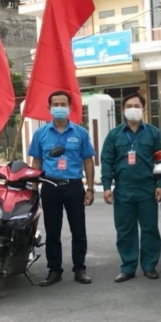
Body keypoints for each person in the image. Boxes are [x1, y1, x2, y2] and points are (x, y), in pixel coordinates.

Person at [28, 91, 96, 286]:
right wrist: (34, 189)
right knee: (52, 231)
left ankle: (80, 268)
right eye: (55, 104)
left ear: (69, 107)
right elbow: (36, 161)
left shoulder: (80, 133)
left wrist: (90, 189)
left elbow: (88, 161)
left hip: (73, 186)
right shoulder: (40, 134)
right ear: (49, 108)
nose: (59, 107)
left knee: (78, 230)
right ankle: (54, 270)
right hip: (50, 186)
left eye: (63, 103)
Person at [101, 92, 161, 282]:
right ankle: (128, 267)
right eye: (129, 106)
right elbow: (107, 161)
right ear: (123, 109)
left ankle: (149, 266)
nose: (133, 109)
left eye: (136, 106)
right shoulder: (114, 135)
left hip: (148, 188)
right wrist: (106, 186)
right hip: (123, 190)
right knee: (125, 230)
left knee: (149, 229)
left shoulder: (154, 133)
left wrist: (160, 184)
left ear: (144, 108)